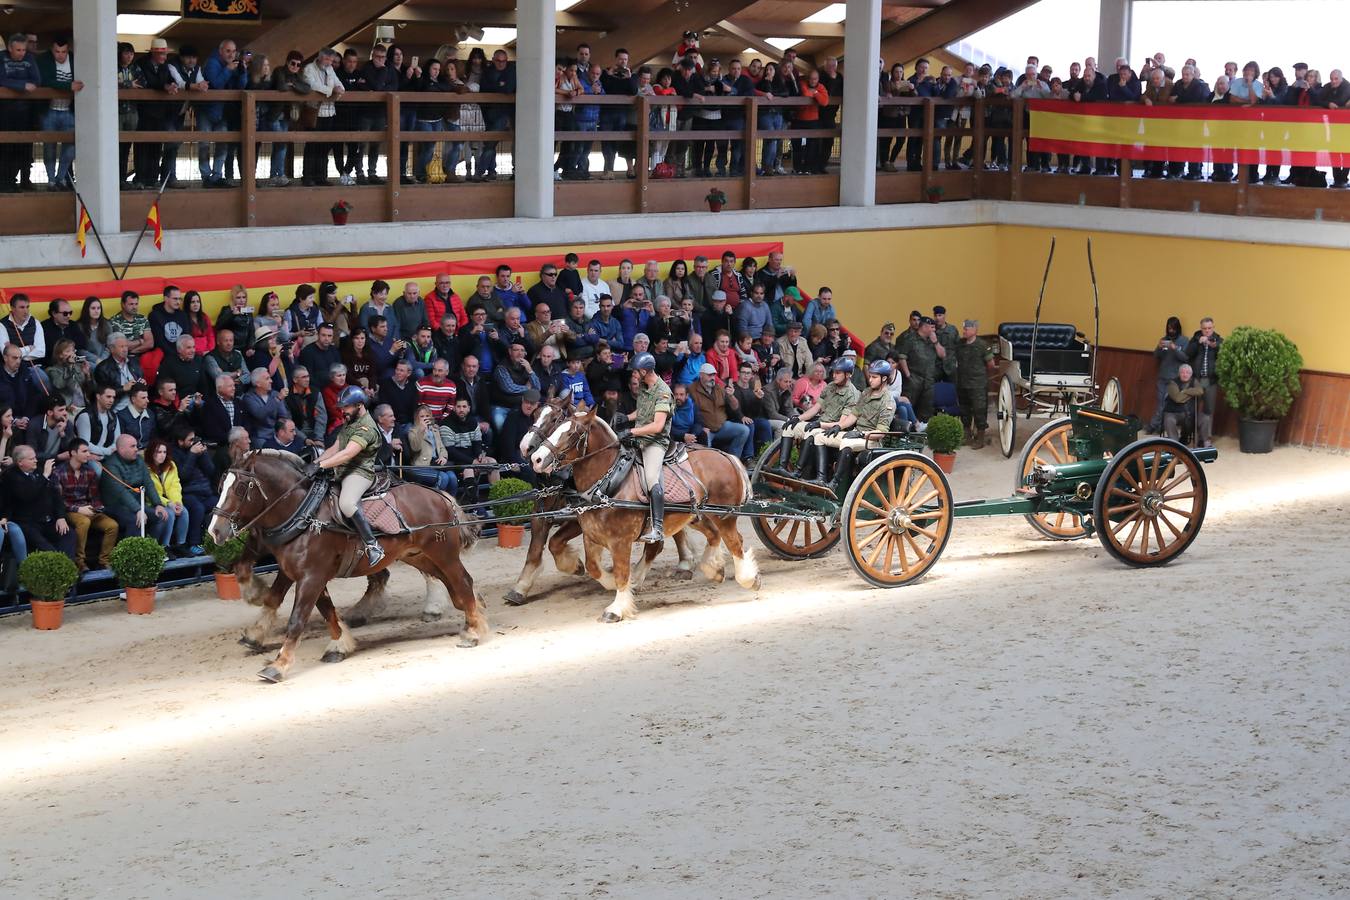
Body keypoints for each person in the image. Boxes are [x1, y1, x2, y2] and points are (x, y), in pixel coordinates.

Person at [312, 385, 384, 565]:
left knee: (346, 503)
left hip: (359, 471)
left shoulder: (367, 427)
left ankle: (373, 545)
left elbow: (348, 453)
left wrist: (322, 465)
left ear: (359, 405)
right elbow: (336, 448)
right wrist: (313, 464)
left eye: (346, 407)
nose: (343, 411)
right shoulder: (350, 421)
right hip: (342, 469)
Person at [814, 360, 898, 485]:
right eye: (870, 376)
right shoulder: (866, 393)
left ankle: (835, 483)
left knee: (847, 443)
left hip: (872, 440)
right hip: (855, 434)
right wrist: (839, 426)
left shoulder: (888, 401)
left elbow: (880, 432)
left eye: (874, 377)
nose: (870, 380)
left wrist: (861, 434)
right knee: (820, 437)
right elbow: (853, 416)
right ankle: (821, 479)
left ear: (884, 378)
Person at [617, 353, 672, 543]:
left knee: (651, 479)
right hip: (639, 438)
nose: (633, 375)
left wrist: (632, 431)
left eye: (634, 371)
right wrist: (626, 417)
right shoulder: (644, 386)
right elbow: (644, 410)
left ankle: (657, 528)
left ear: (643, 371)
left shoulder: (663, 391)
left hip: (655, 442)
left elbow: (657, 425)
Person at [778, 357, 858, 481]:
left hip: (835, 429)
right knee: (789, 427)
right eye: (833, 372)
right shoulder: (830, 386)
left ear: (847, 374)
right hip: (820, 422)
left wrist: (820, 424)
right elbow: (816, 408)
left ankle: (799, 471)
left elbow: (842, 423)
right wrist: (799, 418)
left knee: (812, 432)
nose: (833, 375)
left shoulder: (852, 394)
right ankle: (782, 467)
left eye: (838, 373)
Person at [52, 438, 118, 573]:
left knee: (112, 525)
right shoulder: (59, 472)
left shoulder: (89, 471)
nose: (88, 454)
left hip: (87, 508)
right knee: (84, 522)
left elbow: (94, 496)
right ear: (73, 453)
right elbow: (58, 500)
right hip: (69, 510)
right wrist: (78, 509)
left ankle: (104, 561)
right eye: (84, 451)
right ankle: (79, 562)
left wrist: (97, 508)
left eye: (88, 451)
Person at [1, 447, 77, 559]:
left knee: (68, 534)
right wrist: (45, 476)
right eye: (31, 459)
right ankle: (62, 568)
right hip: (27, 523)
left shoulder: (38, 471)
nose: (35, 460)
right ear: (20, 462)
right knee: (48, 549)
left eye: (35, 457)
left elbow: (56, 496)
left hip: (47, 520)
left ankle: (67, 568)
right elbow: (27, 495)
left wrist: (61, 517)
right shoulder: (10, 476)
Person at [101, 434, 171, 542]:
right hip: (115, 506)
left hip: (136, 504)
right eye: (132, 446)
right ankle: (131, 554)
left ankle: (150, 549)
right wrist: (138, 510)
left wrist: (157, 504)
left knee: (161, 516)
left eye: (136, 446)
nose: (136, 449)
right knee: (135, 520)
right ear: (121, 449)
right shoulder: (111, 465)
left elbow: (148, 483)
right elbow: (121, 492)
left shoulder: (139, 460)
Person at [145, 437, 191, 557]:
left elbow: (175, 486)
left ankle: (181, 545)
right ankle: (165, 547)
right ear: (151, 453)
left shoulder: (171, 465)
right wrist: (167, 503)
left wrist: (177, 502)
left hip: (169, 501)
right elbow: (151, 492)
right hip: (152, 502)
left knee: (184, 511)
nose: (162, 455)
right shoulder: (145, 467)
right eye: (158, 452)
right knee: (169, 513)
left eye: (164, 452)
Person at [953, 319, 994, 447]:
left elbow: (991, 364)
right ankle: (967, 434)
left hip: (978, 384)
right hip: (962, 383)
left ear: (974, 330)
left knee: (979, 410)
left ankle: (980, 437)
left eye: (966, 329)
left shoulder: (982, 345)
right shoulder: (959, 344)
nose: (964, 331)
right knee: (964, 410)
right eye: (964, 329)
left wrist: (979, 374)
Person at [1185, 317, 1221, 448]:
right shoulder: (1195, 338)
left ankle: (1206, 438)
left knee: (1209, 409)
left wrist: (1213, 345)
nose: (1207, 331)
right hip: (1197, 380)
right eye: (1204, 329)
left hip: (1211, 380)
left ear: (1213, 327)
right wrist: (1197, 343)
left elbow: (1223, 351)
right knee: (1192, 408)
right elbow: (1187, 353)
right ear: (1201, 329)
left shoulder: (1218, 339)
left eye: (1209, 328)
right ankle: (1193, 436)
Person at [1149, 317, 1189, 434]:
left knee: (1168, 405)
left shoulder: (1184, 340)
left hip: (1175, 379)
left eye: (1173, 328)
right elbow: (1156, 355)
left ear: (1178, 328)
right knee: (1160, 403)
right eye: (1169, 328)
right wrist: (1159, 347)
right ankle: (1156, 426)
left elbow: (1185, 357)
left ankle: (1160, 426)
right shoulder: (1164, 339)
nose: (1171, 331)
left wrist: (1175, 348)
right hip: (1163, 377)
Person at [405, 404, 457, 494]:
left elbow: (442, 448)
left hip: (436, 464)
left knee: (452, 477)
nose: (425, 418)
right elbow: (415, 448)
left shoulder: (435, 430)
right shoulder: (412, 431)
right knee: (443, 477)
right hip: (421, 466)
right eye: (422, 416)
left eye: (427, 416)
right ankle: (435, 504)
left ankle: (451, 504)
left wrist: (443, 457)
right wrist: (421, 431)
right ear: (417, 418)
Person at [1163, 364, 1210, 447]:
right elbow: (1177, 398)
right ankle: (1175, 445)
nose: (1185, 375)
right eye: (1182, 372)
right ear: (1179, 373)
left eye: (1187, 373)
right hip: (1174, 412)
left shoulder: (1194, 381)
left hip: (1190, 413)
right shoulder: (1172, 383)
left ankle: (1205, 442)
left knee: (1205, 418)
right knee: (1169, 420)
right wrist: (1192, 393)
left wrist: (1184, 391)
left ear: (1191, 374)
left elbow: (1200, 391)